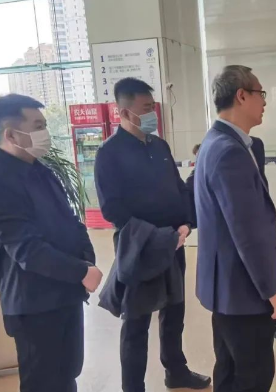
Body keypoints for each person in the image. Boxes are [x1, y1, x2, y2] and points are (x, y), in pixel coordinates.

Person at [0, 94, 103, 392]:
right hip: (35, 305)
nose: (45, 133)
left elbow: (71, 221)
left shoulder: (41, 170)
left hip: (66, 293)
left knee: (67, 374)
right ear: (11, 134)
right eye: (38, 126)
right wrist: (81, 271)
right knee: (43, 383)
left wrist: (87, 261)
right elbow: (27, 250)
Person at [94, 78, 210, 392]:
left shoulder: (159, 146)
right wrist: (155, 236)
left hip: (174, 243)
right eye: (146, 108)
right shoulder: (109, 153)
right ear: (124, 112)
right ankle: (133, 386)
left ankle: (176, 371)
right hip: (140, 247)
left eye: (153, 107)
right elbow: (112, 209)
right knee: (136, 321)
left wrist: (186, 223)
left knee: (174, 310)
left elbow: (177, 189)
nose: (152, 114)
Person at [195, 65, 276, 392]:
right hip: (242, 290)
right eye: (260, 93)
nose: (265, 101)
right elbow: (246, 231)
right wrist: (271, 288)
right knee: (254, 375)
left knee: (230, 369)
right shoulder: (229, 152)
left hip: (227, 288)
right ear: (242, 96)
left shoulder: (220, 142)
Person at [186, 137, 276, 348]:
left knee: (268, 277)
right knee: (242, 348)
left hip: (259, 232)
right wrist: (187, 222)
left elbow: (259, 188)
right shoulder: (218, 148)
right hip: (231, 248)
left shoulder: (255, 145)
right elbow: (194, 189)